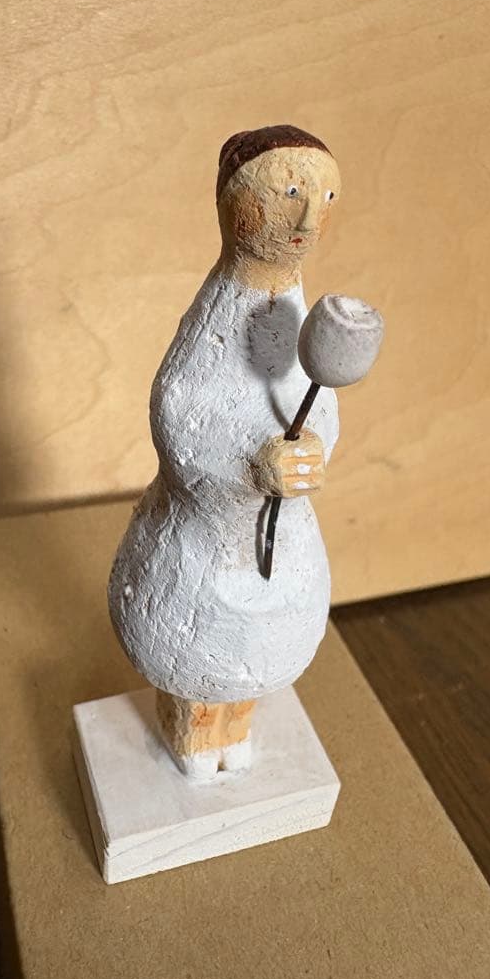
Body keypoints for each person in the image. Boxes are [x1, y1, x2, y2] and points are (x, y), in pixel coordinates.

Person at [108, 125, 342, 779]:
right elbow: (181, 411)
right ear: (229, 204)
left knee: (257, 652)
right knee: (198, 648)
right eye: (288, 193)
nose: (307, 219)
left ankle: (235, 727)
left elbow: (316, 402)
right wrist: (249, 467)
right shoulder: (218, 318)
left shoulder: (293, 313)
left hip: (280, 540)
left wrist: (312, 447)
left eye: (325, 198)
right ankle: (192, 732)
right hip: (204, 539)